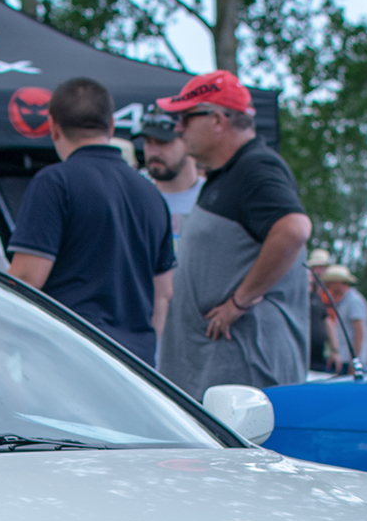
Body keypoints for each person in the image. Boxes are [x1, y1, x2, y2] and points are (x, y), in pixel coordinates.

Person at [153, 70, 313, 395]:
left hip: (245, 372)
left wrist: (239, 302)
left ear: (217, 120)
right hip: (222, 373)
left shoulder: (255, 168)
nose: (179, 128)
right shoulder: (232, 172)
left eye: (185, 117)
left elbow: (294, 229)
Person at [6, 77, 175, 366]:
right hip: (135, 368)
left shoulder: (54, 183)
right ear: (111, 125)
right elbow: (164, 294)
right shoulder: (151, 194)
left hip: (69, 362)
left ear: (52, 127)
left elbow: (25, 280)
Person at [140, 114, 202, 250]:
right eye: (148, 141)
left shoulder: (211, 197)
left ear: (189, 141)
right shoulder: (132, 192)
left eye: (163, 141)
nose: (153, 151)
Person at [322, 264, 367, 370]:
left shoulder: (354, 301)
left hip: (349, 362)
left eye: (330, 283)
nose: (328, 287)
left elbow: (359, 333)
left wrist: (354, 362)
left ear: (338, 283)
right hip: (343, 360)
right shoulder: (343, 301)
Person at [305, 247, 334, 374]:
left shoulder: (327, 292)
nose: (321, 271)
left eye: (323, 267)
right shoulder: (305, 290)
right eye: (318, 267)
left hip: (321, 351)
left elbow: (328, 321)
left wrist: (334, 349)